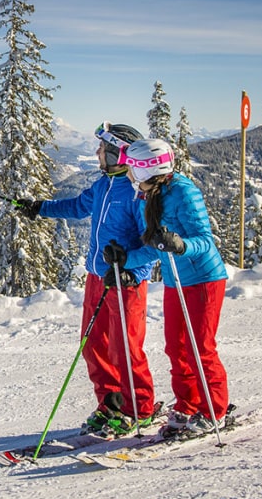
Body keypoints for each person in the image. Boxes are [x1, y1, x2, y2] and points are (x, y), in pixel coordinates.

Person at [17, 122, 158, 435]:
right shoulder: (103, 185)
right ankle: (112, 404)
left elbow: (153, 244)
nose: (97, 153)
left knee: (125, 349)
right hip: (98, 278)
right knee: (93, 344)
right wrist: (40, 208)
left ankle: (140, 408)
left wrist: (131, 269)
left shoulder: (136, 193)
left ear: (118, 154)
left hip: (126, 283)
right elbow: (78, 206)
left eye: (102, 149)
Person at [103, 138, 230, 437]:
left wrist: (182, 245)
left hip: (203, 279)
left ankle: (214, 409)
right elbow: (156, 247)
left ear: (148, 170)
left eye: (132, 168)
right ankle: (187, 404)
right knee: (176, 347)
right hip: (176, 280)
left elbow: (204, 240)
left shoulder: (183, 192)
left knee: (201, 348)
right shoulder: (152, 196)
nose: (129, 174)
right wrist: (126, 259)